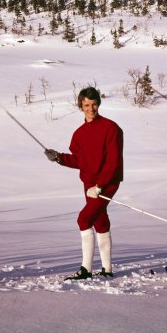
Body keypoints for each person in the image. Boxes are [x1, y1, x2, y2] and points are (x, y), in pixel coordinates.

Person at [44, 87, 123, 280]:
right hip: (89, 185)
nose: (91, 108)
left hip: (107, 183)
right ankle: (107, 270)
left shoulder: (111, 128)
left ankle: (86, 270)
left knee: (83, 219)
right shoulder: (79, 134)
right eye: (86, 105)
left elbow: (113, 162)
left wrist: (101, 186)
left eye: (94, 104)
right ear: (81, 106)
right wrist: (59, 158)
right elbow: (80, 161)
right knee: (99, 220)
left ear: (99, 104)